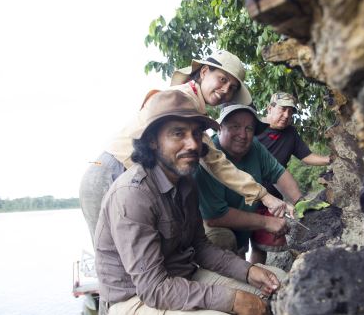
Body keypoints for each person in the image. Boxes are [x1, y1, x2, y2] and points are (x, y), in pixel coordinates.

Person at [95, 89, 285, 315]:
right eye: (178, 133)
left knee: (279, 284)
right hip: (135, 296)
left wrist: (248, 270)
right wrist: (230, 299)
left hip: (182, 275)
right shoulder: (132, 195)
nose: (193, 144)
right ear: (153, 141)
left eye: (196, 134)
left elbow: (201, 247)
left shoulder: (186, 183)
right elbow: (153, 288)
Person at [79, 50, 291, 244]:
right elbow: (216, 162)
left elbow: (212, 161)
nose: (226, 89)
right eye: (222, 79)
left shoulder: (193, 106)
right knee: (112, 253)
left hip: (130, 177)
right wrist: (264, 195)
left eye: (233, 87)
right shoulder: (182, 100)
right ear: (205, 72)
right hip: (110, 172)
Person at [195, 104, 303, 265]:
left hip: (244, 221)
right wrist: (267, 222)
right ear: (219, 128)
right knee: (224, 239)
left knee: (246, 255)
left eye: (249, 128)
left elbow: (278, 173)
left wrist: (301, 203)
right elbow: (214, 217)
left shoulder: (254, 147)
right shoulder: (205, 158)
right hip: (212, 228)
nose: (243, 134)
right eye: (235, 126)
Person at [257, 92, 331, 200]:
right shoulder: (253, 129)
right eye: (282, 109)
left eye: (290, 111)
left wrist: (332, 159)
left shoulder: (290, 133)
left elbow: (307, 157)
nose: (287, 115)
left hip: (274, 198)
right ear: (269, 109)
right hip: (247, 194)